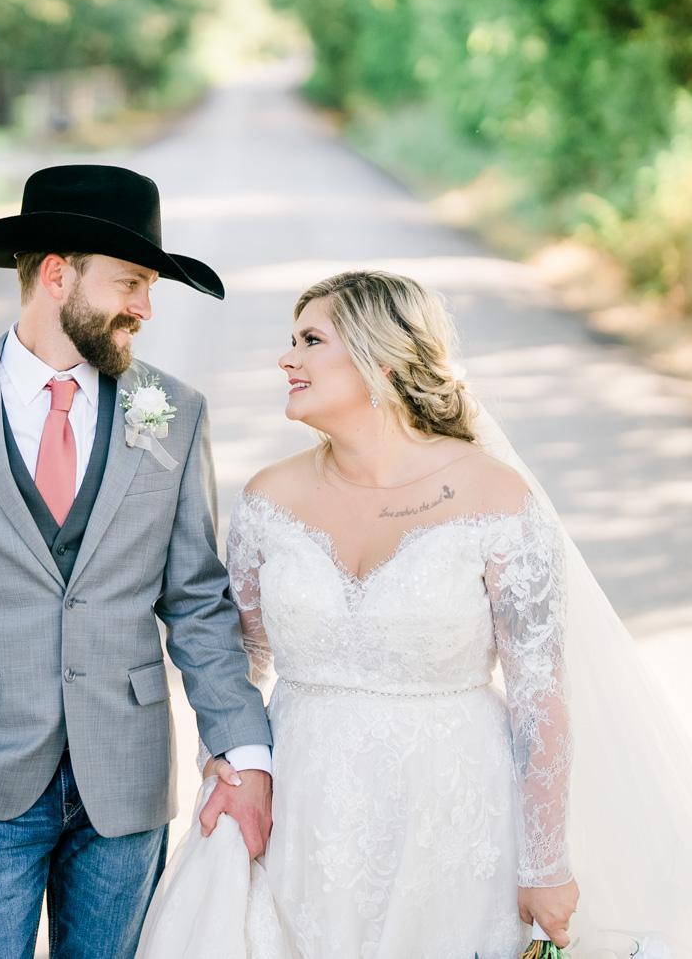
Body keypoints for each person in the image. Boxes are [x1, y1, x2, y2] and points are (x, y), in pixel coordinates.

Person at [138, 269, 692, 959]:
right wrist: (231, 767)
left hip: (451, 815)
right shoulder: (268, 499)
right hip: (302, 813)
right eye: (292, 341)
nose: (287, 358)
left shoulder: (495, 497)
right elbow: (240, 659)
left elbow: (539, 698)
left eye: (311, 341)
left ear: (386, 359)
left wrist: (544, 863)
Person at [0, 164, 273, 959]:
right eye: (130, 283)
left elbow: (197, 603)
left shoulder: (173, 412)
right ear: (56, 275)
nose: (144, 308)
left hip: (128, 786)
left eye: (149, 288)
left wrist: (244, 752)